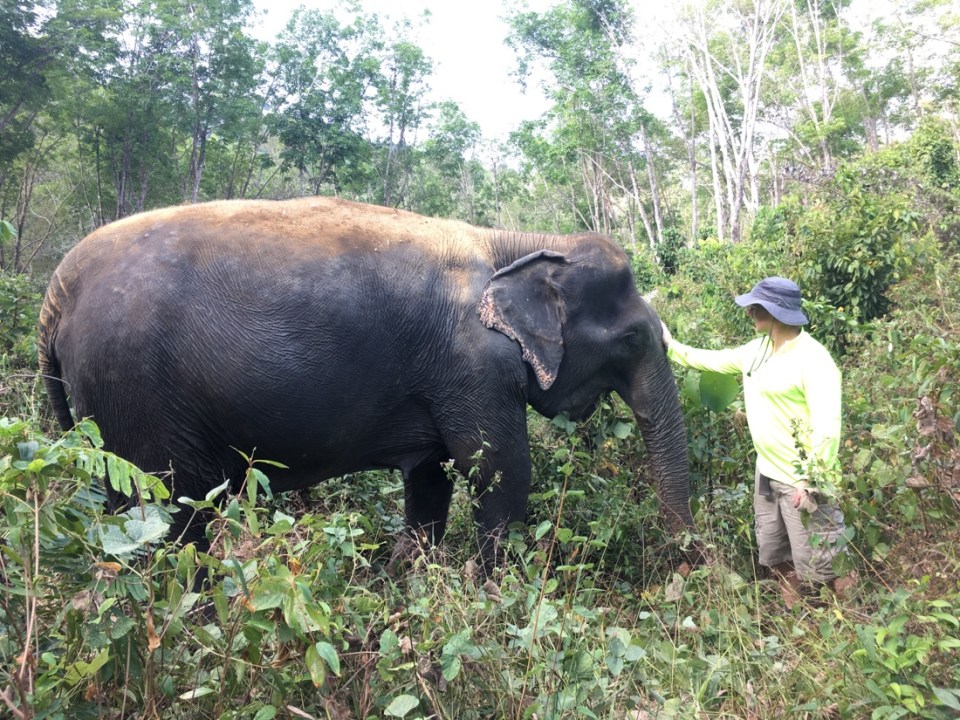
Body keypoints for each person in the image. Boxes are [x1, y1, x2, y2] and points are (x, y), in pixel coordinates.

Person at [660, 276, 855, 608]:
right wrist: (670, 344)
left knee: (826, 566)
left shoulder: (814, 360)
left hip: (803, 481)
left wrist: (810, 479)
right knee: (777, 556)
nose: (749, 312)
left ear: (775, 311)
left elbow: (827, 426)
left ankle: (850, 620)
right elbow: (711, 359)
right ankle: (797, 621)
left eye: (756, 307)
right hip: (767, 474)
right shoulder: (757, 351)